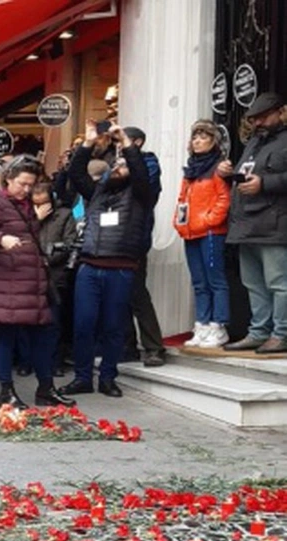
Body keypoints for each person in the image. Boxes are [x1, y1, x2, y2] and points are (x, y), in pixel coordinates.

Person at [0, 155, 73, 408]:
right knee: (7, 335)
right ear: (9, 179)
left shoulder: (24, 205)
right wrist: (0, 239)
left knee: (43, 335)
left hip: (31, 282)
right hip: (8, 283)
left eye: (31, 185)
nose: (26, 190)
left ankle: (46, 388)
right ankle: (7, 393)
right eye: (22, 184)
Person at [58, 124, 156, 400]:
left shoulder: (140, 196)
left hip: (121, 269)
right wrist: (88, 143)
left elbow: (139, 172)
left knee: (114, 328)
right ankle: (82, 377)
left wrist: (125, 143)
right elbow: (77, 174)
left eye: (123, 165)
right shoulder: (97, 193)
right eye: (115, 164)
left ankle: (109, 377)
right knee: (83, 325)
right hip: (90, 267)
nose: (118, 167)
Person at [221, 92, 287, 354]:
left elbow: (267, 178)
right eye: (254, 119)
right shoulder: (254, 143)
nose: (257, 123)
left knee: (279, 283)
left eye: (263, 117)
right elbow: (247, 174)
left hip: (275, 224)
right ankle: (259, 332)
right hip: (246, 224)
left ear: (281, 112)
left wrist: (265, 184)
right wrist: (229, 174)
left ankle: (281, 333)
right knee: (253, 284)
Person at [174, 121, 232, 348]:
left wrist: (209, 220)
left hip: (210, 233)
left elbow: (223, 199)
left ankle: (219, 326)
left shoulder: (218, 168)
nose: (197, 141)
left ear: (213, 141)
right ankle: (203, 324)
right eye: (195, 137)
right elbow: (182, 200)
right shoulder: (190, 171)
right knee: (199, 282)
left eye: (203, 137)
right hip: (191, 232)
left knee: (215, 280)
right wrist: (179, 222)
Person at [120, 126, 166, 367]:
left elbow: (144, 187)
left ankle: (153, 346)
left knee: (137, 293)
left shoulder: (148, 162)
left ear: (137, 142)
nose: (118, 144)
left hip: (135, 237)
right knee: (119, 296)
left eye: (123, 140)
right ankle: (127, 345)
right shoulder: (113, 163)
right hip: (113, 237)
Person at [31, 180, 79, 367]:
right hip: (31, 274)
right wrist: (36, 220)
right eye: (36, 203)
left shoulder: (64, 215)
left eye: (44, 203)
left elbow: (69, 242)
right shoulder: (28, 216)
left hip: (55, 275)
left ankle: (55, 361)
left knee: (54, 321)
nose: (40, 207)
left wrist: (47, 260)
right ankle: (29, 361)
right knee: (30, 322)